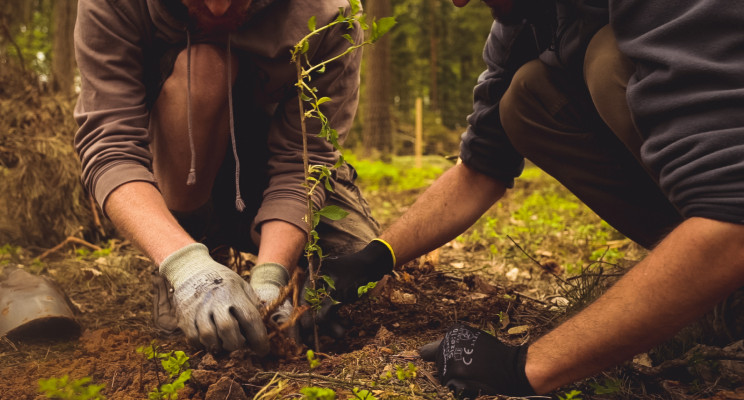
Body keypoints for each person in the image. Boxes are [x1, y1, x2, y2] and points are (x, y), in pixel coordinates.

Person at [317, 0, 744, 396]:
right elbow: (480, 167)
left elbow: (732, 215)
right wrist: (377, 256)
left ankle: (714, 271)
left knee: (607, 59)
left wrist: (524, 366)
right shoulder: (526, 19)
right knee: (525, 96)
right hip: (724, 217)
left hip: (730, 214)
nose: (460, 2)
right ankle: (715, 287)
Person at [72, 0, 380, 356]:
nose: (218, 11)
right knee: (204, 68)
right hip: (177, 168)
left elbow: (303, 161)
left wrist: (271, 278)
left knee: (357, 263)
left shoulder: (330, 14)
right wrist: (187, 268)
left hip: (267, 171)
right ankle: (190, 241)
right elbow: (111, 148)